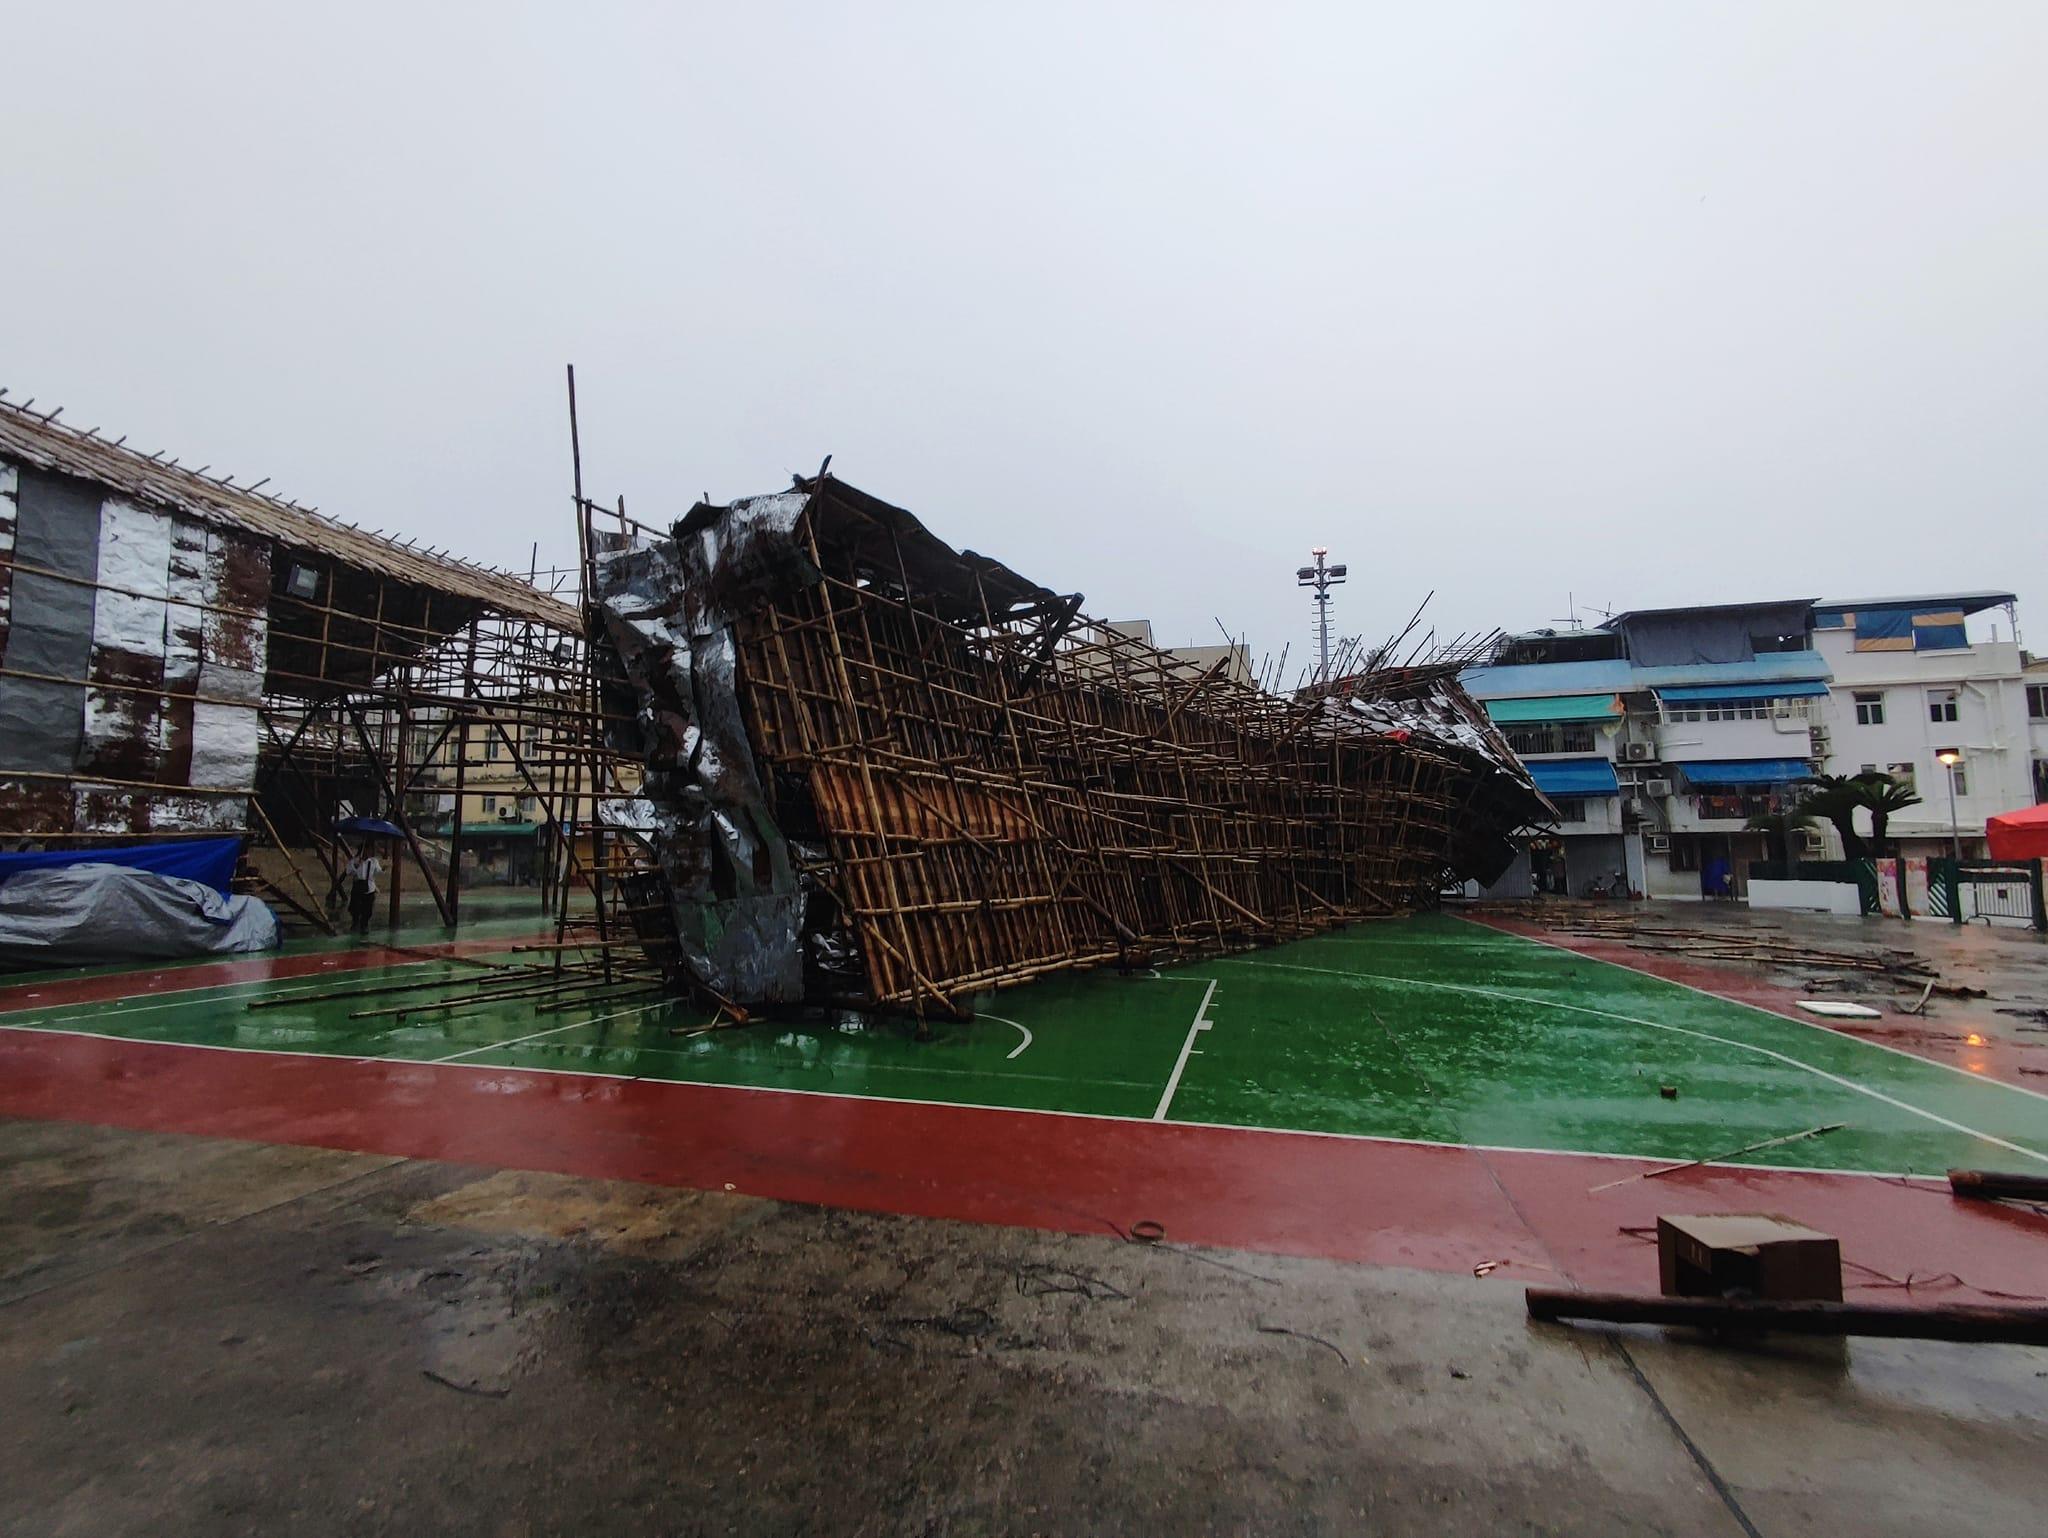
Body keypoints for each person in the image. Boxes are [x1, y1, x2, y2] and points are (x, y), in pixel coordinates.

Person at [345, 847, 383, 937]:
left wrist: (383, 870)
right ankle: (355, 923)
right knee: (355, 907)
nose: (368, 853)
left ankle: (364, 924)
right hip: (358, 886)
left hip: (369, 887)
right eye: (366, 850)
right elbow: (348, 872)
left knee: (368, 908)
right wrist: (356, 866)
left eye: (369, 851)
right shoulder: (355, 860)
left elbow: (378, 872)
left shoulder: (373, 861)